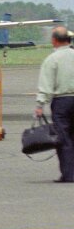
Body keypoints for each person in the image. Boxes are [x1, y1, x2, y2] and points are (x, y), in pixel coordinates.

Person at [35, 26, 74, 183]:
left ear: (54, 40)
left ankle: (69, 174)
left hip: (62, 102)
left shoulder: (52, 59)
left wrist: (40, 104)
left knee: (63, 138)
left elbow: (46, 84)